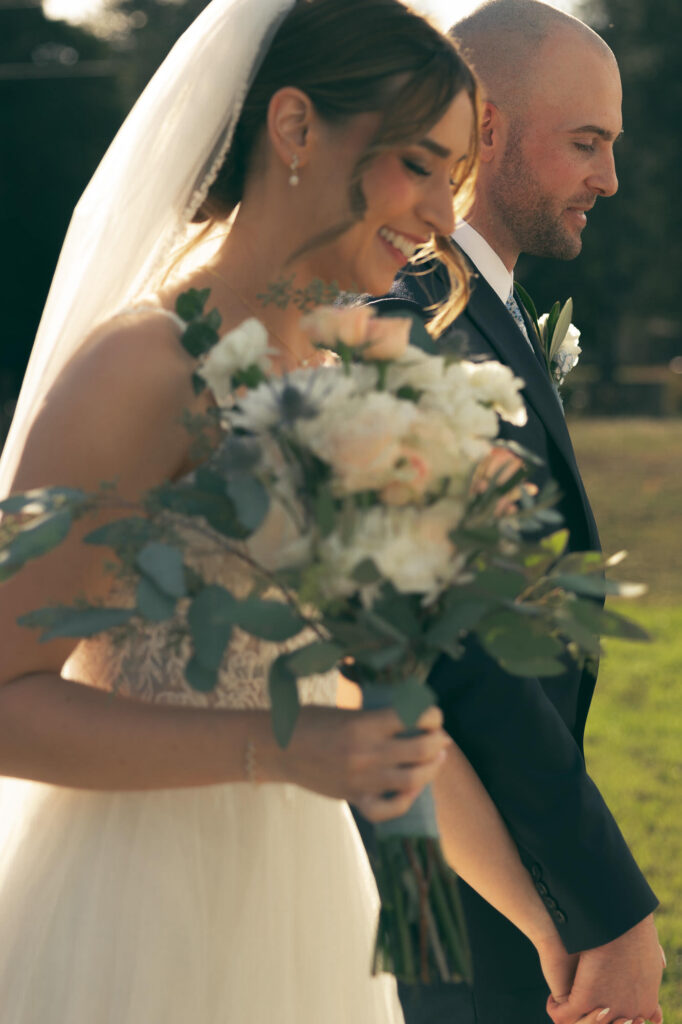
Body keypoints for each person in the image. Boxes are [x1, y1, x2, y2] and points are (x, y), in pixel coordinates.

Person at [0, 1, 626, 1022]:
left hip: (310, 914)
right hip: (134, 911)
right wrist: (274, 748)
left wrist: (554, 928)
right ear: (294, 129)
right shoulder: (142, 368)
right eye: (416, 164)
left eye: (455, 173)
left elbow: (381, 713)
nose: (439, 211)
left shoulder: (349, 375)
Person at [371, 3, 664, 1024]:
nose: (610, 179)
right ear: (483, 130)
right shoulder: (418, 337)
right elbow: (466, 663)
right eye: (586, 142)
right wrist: (602, 909)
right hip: (444, 898)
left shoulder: (478, 318)